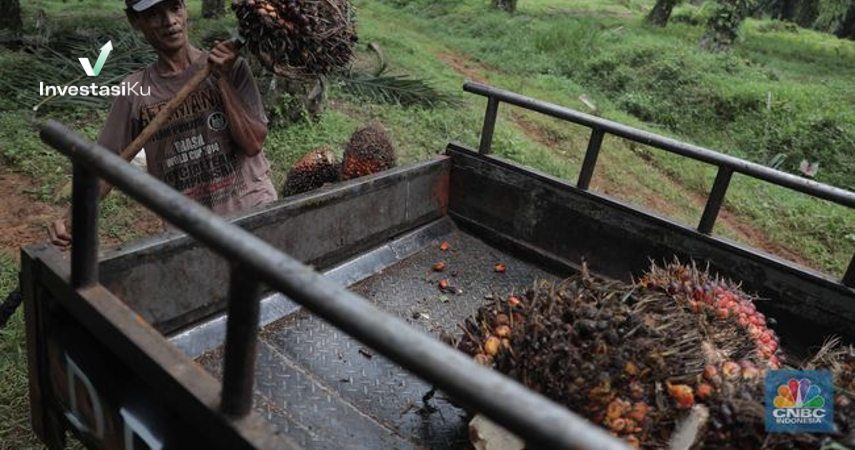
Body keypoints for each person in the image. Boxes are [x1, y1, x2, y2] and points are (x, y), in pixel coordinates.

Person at [49, 0, 277, 246]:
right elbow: (104, 165)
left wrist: (221, 79)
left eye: (174, 7)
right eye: (154, 14)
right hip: (189, 231)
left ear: (185, 9)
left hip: (253, 211)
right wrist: (73, 216)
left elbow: (253, 143)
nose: (170, 21)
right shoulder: (134, 92)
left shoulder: (232, 68)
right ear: (135, 21)